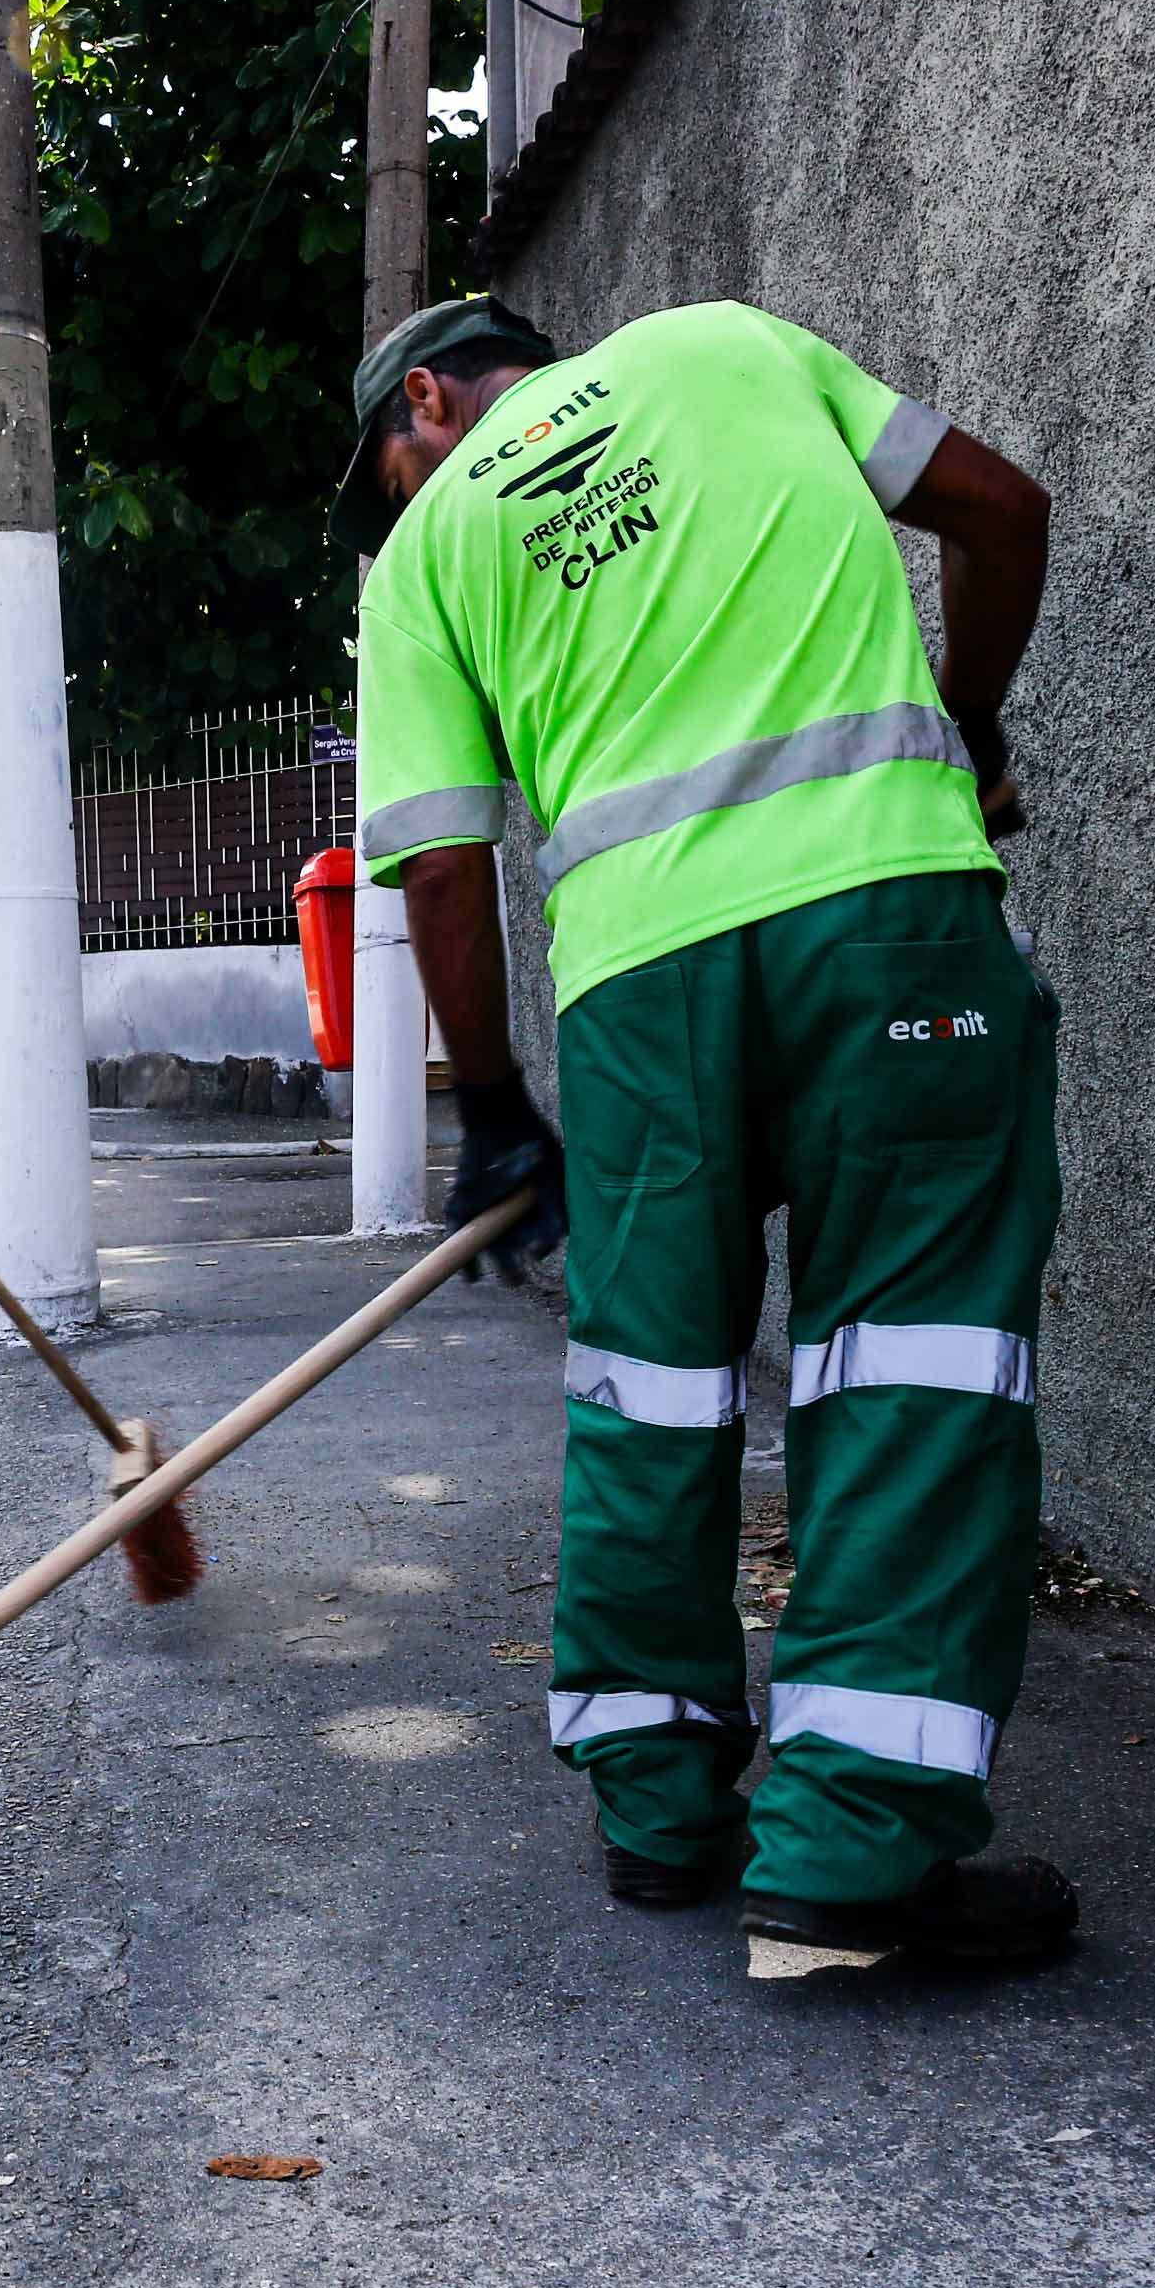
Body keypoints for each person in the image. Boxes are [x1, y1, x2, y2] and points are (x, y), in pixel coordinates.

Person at [331, 294, 1070, 1971]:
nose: (393, 501)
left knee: (646, 1382)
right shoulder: (731, 345)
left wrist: (500, 1109)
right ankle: (850, 1851)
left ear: (429, 401)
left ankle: (662, 1814)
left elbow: (442, 866)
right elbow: (1005, 509)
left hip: (641, 996)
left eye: (382, 470)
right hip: (890, 925)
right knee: (914, 1362)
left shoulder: (429, 554)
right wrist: (970, 726)